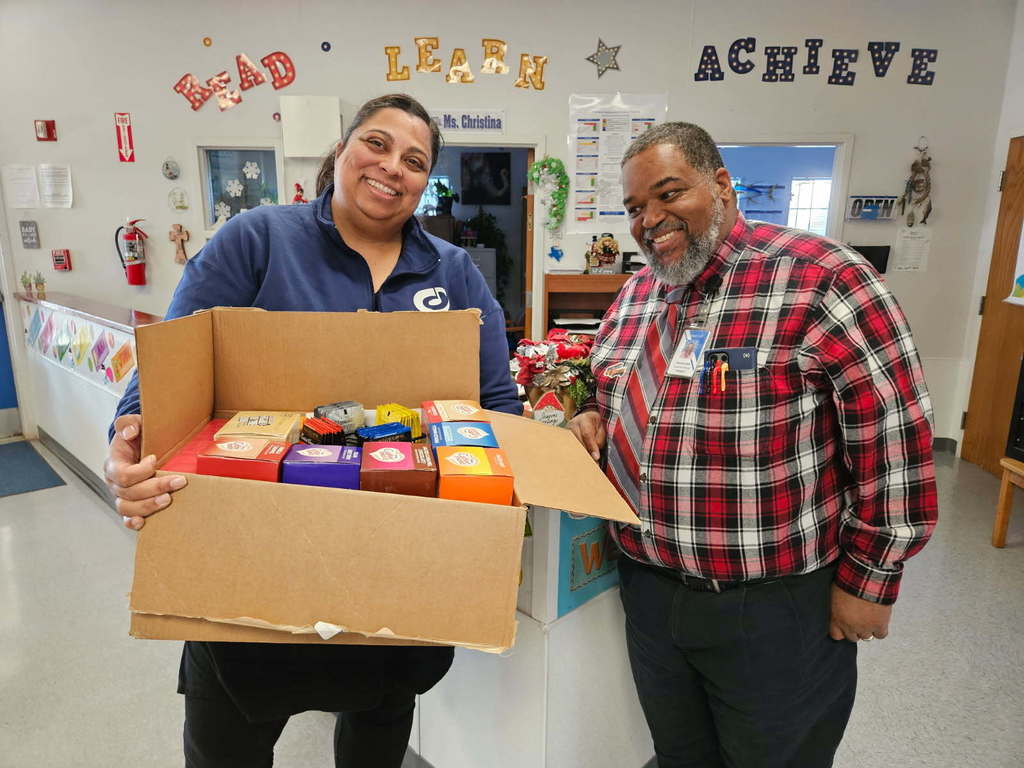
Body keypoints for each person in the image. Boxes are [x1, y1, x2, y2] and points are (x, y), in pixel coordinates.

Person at [104, 93, 521, 768]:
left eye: (415, 160)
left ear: (426, 180)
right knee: (227, 747)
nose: (392, 167)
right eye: (377, 144)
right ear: (342, 148)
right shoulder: (259, 240)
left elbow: (498, 403)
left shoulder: (454, 272)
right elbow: (169, 375)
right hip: (250, 563)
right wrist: (128, 439)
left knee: (377, 739)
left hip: (397, 571)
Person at [568, 122, 938, 768]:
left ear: (721, 185)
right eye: (633, 208)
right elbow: (607, 392)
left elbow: (895, 436)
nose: (649, 220)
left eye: (668, 192)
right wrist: (592, 417)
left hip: (771, 609)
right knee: (679, 755)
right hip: (650, 594)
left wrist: (871, 579)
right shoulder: (634, 296)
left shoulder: (823, 280)